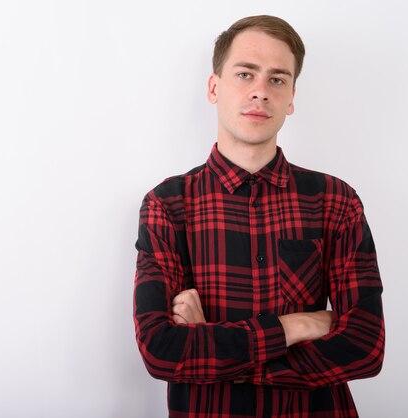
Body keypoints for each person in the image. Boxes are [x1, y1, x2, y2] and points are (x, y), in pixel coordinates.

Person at [133, 15, 385, 418]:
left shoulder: (336, 201)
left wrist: (214, 347)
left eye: (277, 79)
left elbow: (365, 347)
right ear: (214, 88)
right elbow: (161, 352)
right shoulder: (168, 205)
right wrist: (297, 326)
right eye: (245, 74)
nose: (260, 92)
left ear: (291, 98)